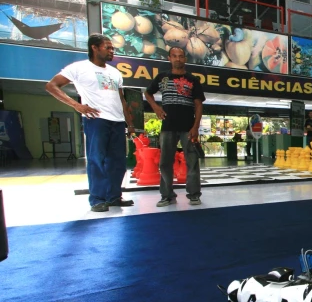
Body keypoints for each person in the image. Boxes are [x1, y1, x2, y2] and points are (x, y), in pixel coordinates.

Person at [45, 33, 135, 213]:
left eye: (112, 48)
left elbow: (121, 100)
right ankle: (97, 199)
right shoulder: (79, 68)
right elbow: (51, 86)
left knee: (118, 162)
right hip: (97, 120)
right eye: (107, 47)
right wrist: (76, 105)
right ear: (94, 47)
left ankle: (114, 197)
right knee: (96, 160)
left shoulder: (115, 72)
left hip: (117, 122)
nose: (112, 51)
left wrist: (129, 123)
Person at [145, 46, 206, 207]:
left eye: (181, 56)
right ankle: (167, 195)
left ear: (185, 59)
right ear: (169, 58)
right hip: (167, 126)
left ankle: (194, 194)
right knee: (165, 162)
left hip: (188, 127)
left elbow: (199, 105)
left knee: (192, 161)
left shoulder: (193, 80)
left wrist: (196, 127)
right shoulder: (162, 77)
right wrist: (156, 108)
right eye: (174, 56)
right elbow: (147, 93)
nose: (178, 59)